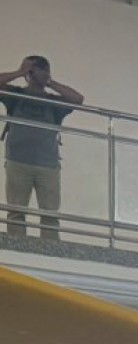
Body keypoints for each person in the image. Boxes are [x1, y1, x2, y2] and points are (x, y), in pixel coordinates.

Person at [1, 54, 85, 242]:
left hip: (47, 165)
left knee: (49, 214)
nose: (33, 72)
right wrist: (19, 72)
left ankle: (50, 250)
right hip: (17, 161)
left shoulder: (54, 102)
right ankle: (17, 248)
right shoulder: (15, 95)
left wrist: (49, 81)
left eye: (39, 68)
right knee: (16, 212)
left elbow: (78, 99)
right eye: (32, 69)